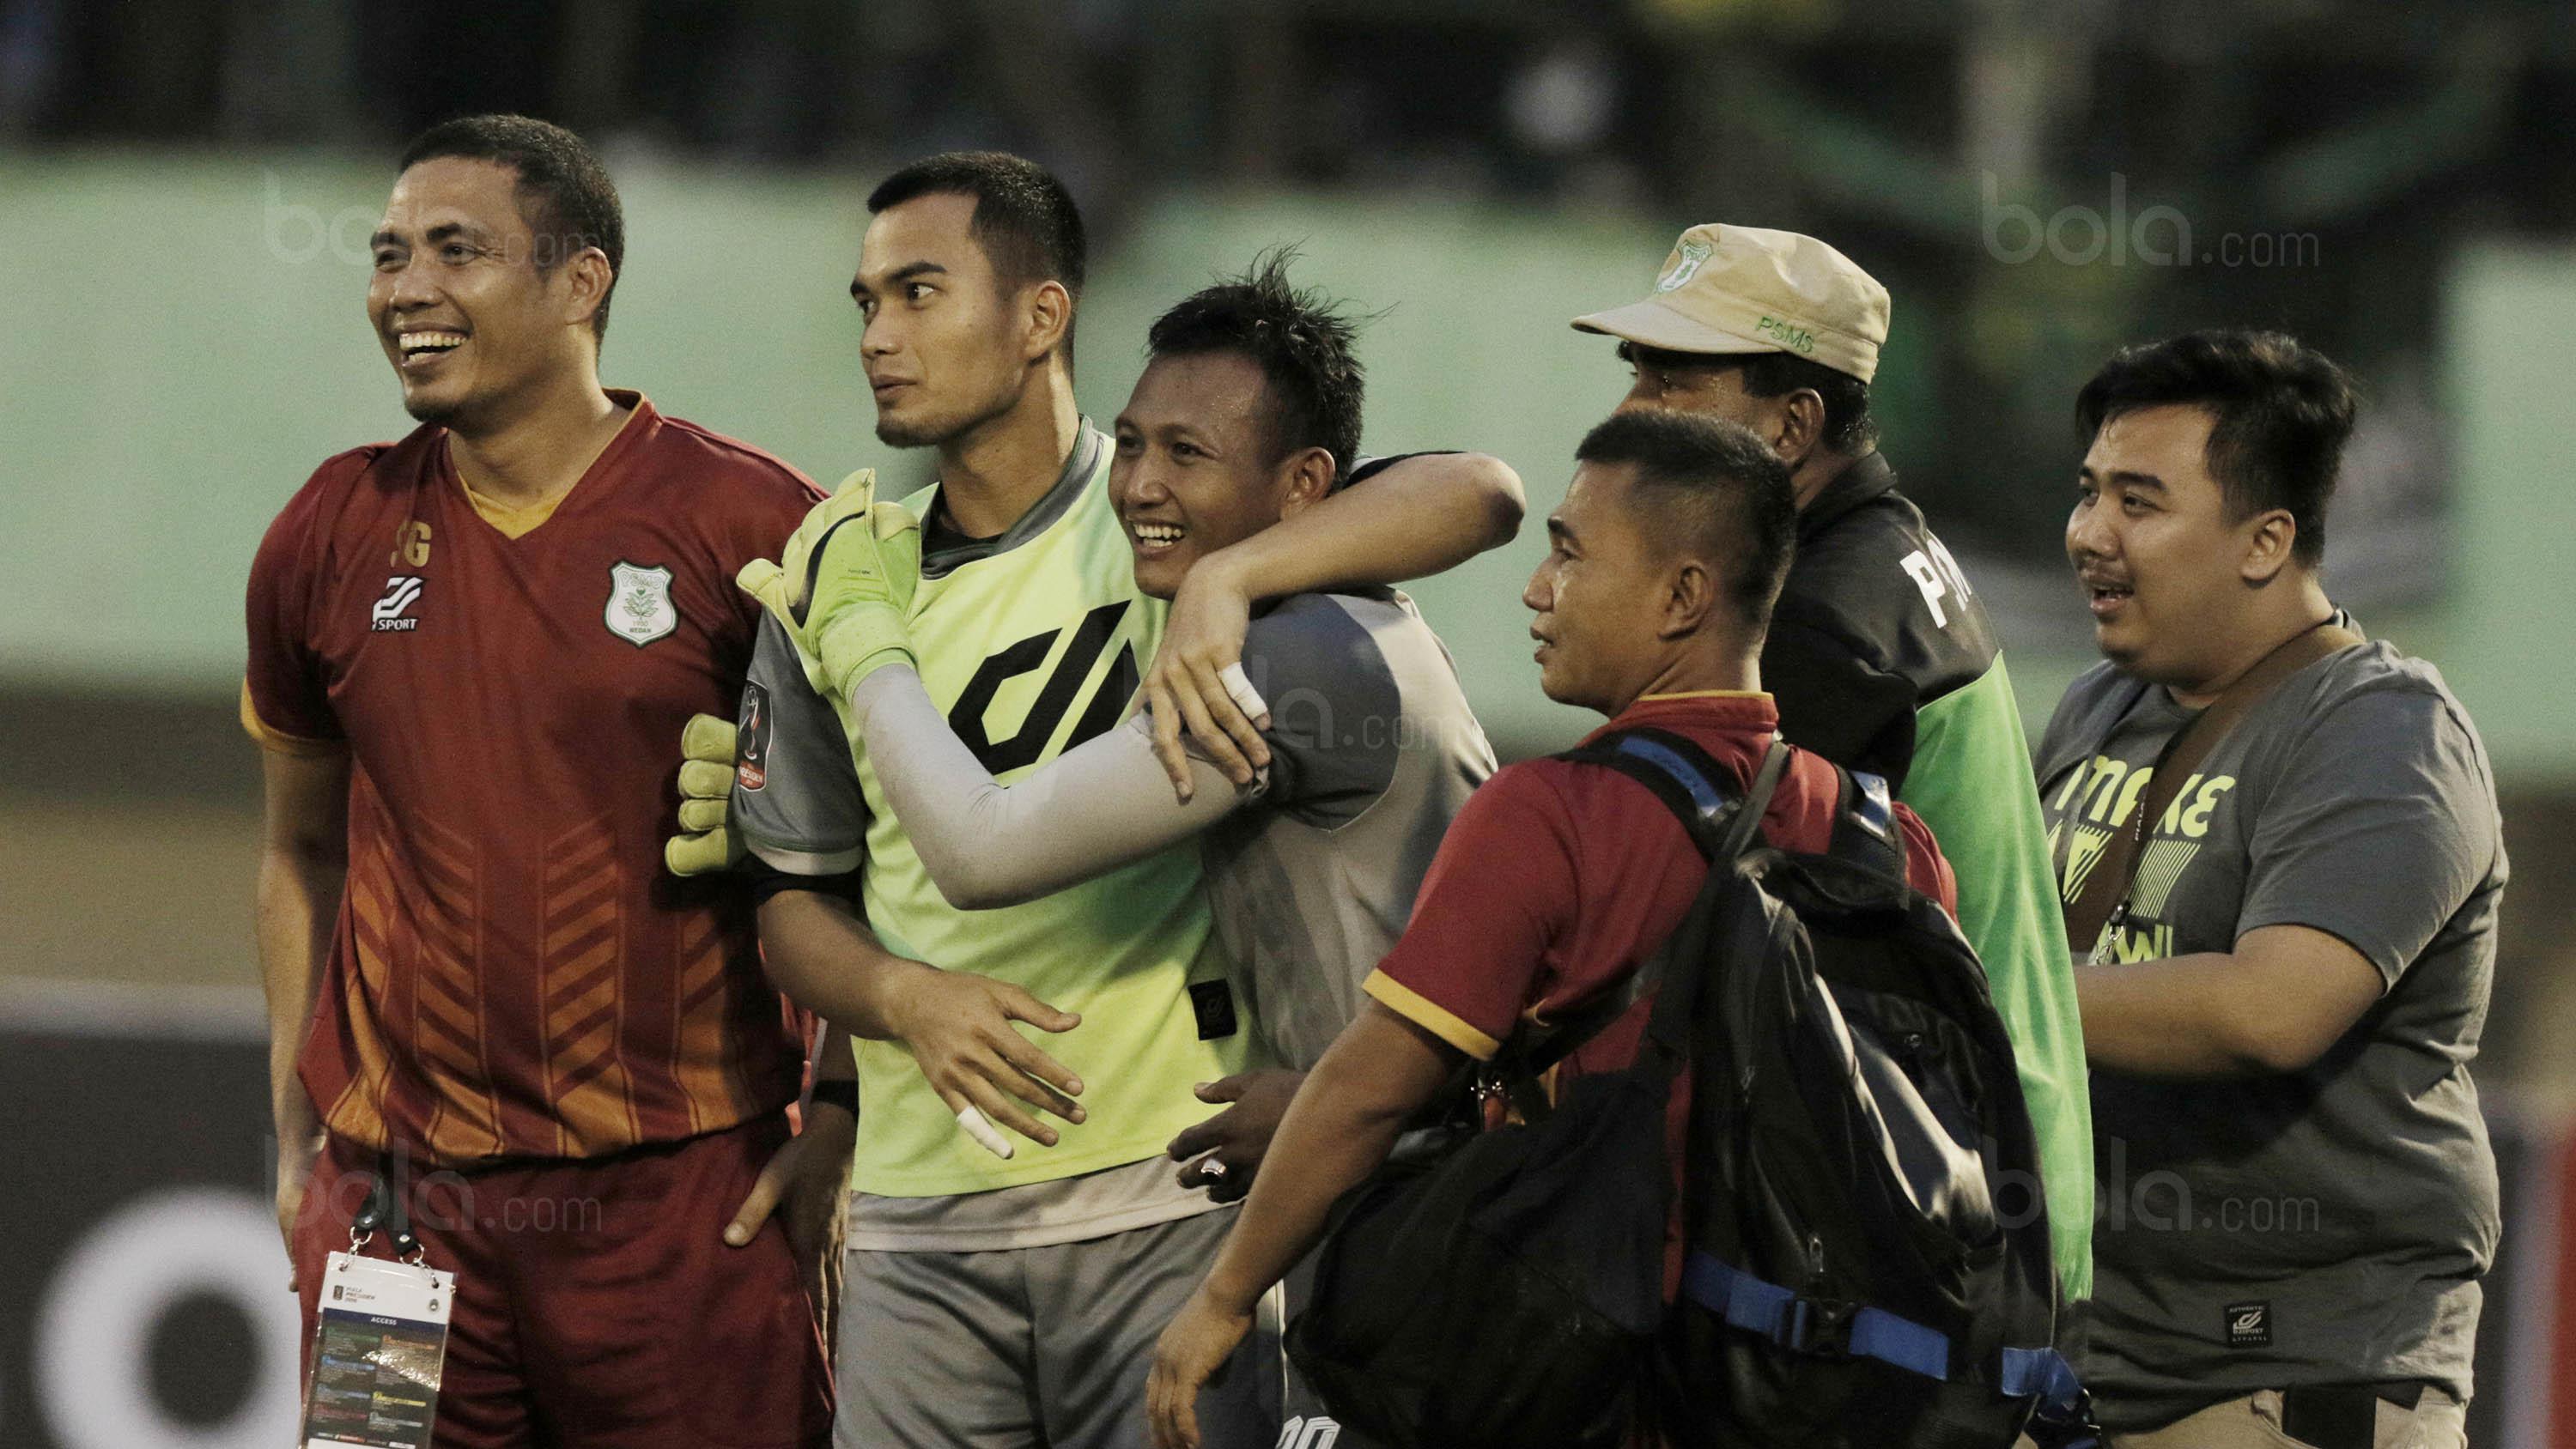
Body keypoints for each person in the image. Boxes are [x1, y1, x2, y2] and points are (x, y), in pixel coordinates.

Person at [724, 154, 1522, 1449]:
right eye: (865, 301)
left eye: (919, 293)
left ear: (1042, 317)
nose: (877, 335)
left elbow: (1484, 489)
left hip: (1174, 1194)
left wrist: (1233, 576)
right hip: (924, 1227)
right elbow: (803, 900)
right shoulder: (844, 570)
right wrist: (892, 1018)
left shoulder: (1197, 531)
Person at [1145, 409, 1961, 1449]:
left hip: (1604, 1376)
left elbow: (1367, 1091)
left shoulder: (1551, 814)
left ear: (1683, 597)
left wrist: (1221, 1298)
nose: (1536, 589)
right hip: (1822, 1381)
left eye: (1569, 553)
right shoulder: (1893, 837)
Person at [244, 115, 837, 1446]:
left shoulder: (752, 529)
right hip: (396, 1218)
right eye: (391, 254)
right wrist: (294, 1135)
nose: (404, 289)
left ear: (583, 282)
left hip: (685, 1211)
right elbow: (300, 849)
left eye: (457, 251)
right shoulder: (327, 533)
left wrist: (842, 1113)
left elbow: (868, 855)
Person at [1569, 223, 2093, 1308]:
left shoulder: (1814, 625)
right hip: (1979, 1174)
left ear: (1793, 422)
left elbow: (1684, 945)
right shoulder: (1871, 555)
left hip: (1938, 1206)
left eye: (1673, 378)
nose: (1632, 410)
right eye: (1637, 373)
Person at [2035, 330, 2501, 1448]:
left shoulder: (2385, 729)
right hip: (2093, 1357)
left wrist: (1990, 988)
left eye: (2138, 502)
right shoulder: (2098, 708)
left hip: (2291, 1368)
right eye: (2089, 491)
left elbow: (2270, 1009)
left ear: (2265, 541)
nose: (2090, 534)